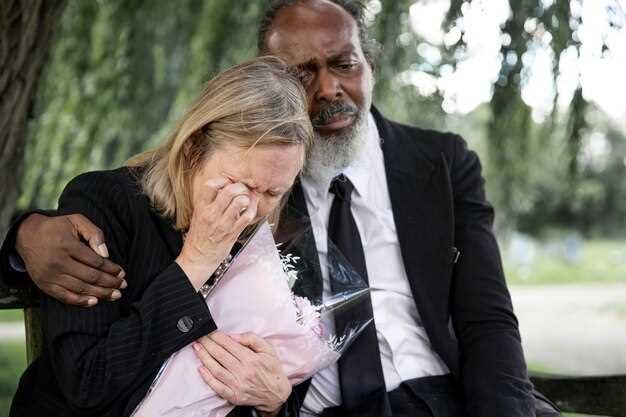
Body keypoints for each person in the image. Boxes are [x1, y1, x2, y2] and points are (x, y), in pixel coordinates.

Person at [1, 1, 561, 417]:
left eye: (344, 63)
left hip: (442, 393)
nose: (329, 89)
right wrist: (26, 234)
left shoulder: (435, 163)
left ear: (370, 63)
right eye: (302, 73)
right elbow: (97, 368)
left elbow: (488, 320)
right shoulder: (228, 181)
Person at [6, 56, 314, 417]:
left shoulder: (276, 240)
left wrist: (274, 402)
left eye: (274, 192)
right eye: (239, 185)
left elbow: (286, 389)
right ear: (193, 151)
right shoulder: (107, 204)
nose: (252, 209)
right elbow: (86, 383)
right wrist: (195, 263)